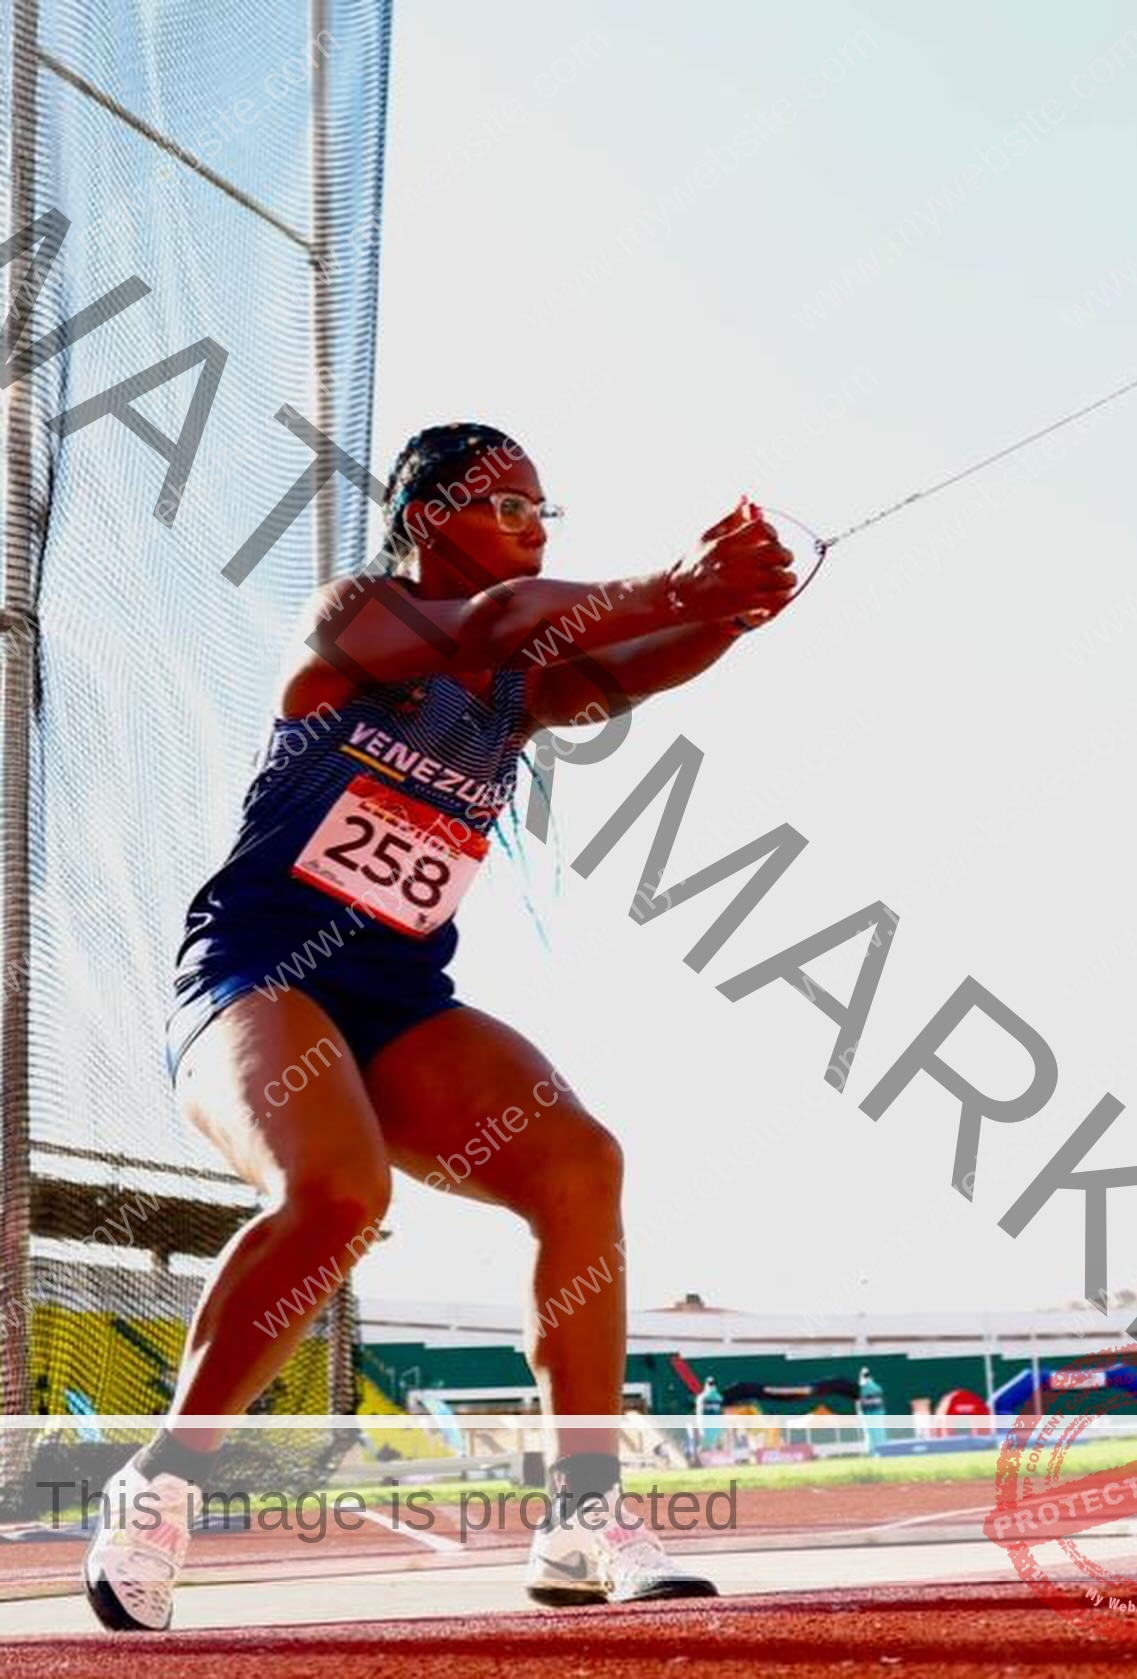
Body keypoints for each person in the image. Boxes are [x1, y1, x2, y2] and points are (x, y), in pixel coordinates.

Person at [82, 422, 796, 1630]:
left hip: (398, 998)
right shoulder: (361, 615)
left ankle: (581, 1513)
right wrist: (682, 580)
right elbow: (498, 620)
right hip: (257, 970)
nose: (532, 522)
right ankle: (156, 1490)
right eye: (507, 501)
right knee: (338, 1193)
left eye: (541, 508)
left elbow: (629, 665)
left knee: (579, 1161)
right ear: (427, 513)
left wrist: (732, 609)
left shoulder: (515, 685)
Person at [857, 1365, 885, 1455]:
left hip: (873, 1414)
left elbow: (875, 1401)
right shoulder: (871, 1387)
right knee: (873, 1433)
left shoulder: (872, 1387)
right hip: (870, 1414)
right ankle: (875, 1451)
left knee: (875, 1433)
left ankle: (876, 1451)